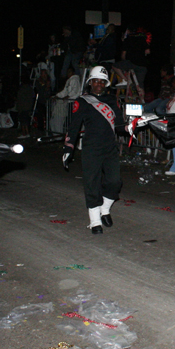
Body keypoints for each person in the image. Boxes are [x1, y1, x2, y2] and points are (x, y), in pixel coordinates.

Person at [63, 66, 129, 234]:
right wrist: (68, 147)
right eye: (95, 81)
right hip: (91, 147)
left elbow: (120, 126)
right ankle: (94, 220)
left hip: (109, 147)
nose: (98, 84)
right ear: (90, 82)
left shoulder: (112, 100)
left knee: (115, 182)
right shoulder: (82, 101)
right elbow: (74, 126)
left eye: (102, 81)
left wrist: (132, 126)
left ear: (105, 84)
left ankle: (105, 209)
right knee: (92, 183)